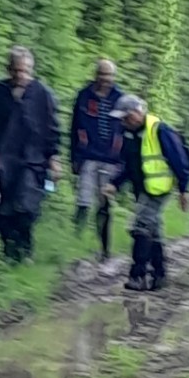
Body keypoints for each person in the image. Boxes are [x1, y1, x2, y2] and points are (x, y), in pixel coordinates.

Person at [0, 47, 62, 263]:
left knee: (26, 206)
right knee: (0, 210)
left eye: (25, 71)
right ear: (8, 69)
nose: (20, 76)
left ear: (31, 70)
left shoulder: (43, 94)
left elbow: (52, 128)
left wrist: (54, 157)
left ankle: (25, 249)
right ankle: (10, 250)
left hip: (32, 160)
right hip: (1, 160)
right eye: (16, 71)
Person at [105, 93, 189, 292]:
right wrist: (115, 184)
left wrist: (184, 190)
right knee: (153, 230)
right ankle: (160, 275)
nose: (124, 121)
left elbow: (179, 160)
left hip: (160, 188)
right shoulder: (130, 134)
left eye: (127, 117)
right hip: (143, 189)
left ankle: (138, 276)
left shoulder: (160, 130)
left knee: (141, 226)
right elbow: (128, 165)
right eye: (122, 118)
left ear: (138, 112)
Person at [70, 57, 125, 257]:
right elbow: (74, 128)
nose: (105, 78)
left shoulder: (120, 99)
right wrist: (74, 158)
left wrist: (123, 162)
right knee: (83, 201)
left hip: (112, 160)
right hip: (88, 157)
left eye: (109, 75)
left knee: (105, 205)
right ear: (95, 75)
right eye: (102, 74)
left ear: (114, 77)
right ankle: (73, 244)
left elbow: (126, 132)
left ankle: (105, 249)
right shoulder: (84, 97)